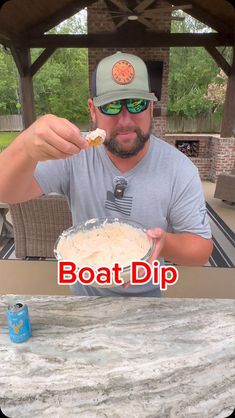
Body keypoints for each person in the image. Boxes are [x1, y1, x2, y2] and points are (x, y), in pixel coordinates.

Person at [0, 51, 213, 297]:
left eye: (136, 103)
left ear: (151, 107)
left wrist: (164, 243)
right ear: (93, 110)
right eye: (111, 106)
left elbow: (201, 249)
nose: (125, 120)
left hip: (148, 301)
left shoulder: (179, 169)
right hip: (84, 296)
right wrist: (24, 147)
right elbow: (7, 191)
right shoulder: (73, 153)